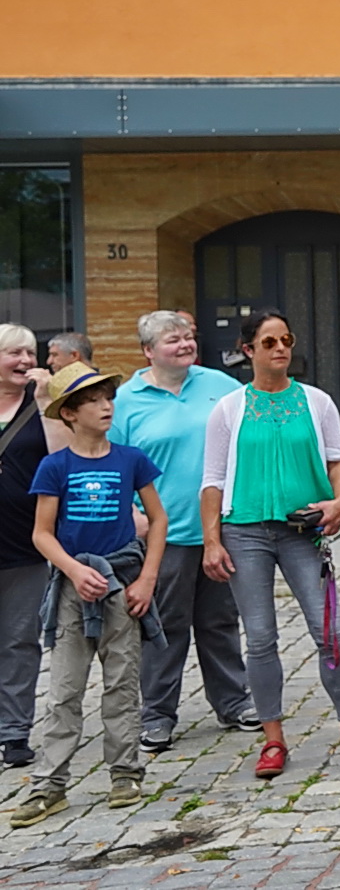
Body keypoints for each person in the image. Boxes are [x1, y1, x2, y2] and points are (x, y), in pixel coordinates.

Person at [199, 310, 340, 778]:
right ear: (248, 351)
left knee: (329, 632)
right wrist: (211, 541)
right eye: (268, 342)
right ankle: (273, 739)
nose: (280, 348)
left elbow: (339, 459)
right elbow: (213, 480)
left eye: (286, 339)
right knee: (260, 638)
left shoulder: (317, 402)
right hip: (244, 531)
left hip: (303, 531)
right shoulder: (229, 409)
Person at [11, 362, 167, 828]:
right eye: (94, 401)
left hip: (121, 584)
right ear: (70, 414)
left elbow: (158, 521)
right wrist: (75, 571)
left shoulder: (130, 459)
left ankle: (125, 771)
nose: (106, 407)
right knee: (64, 690)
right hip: (73, 591)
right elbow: (42, 533)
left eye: (108, 398)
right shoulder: (55, 466)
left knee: (122, 684)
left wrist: (147, 579)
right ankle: (49, 785)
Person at [111, 311, 257, 752]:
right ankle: (157, 714)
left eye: (188, 338)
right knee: (164, 626)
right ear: (148, 351)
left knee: (220, 621)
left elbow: (247, 446)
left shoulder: (223, 388)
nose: (185, 345)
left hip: (219, 529)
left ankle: (233, 702)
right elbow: (112, 462)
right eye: (173, 340)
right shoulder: (125, 401)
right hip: (163, 535)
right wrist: (129, 514)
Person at [0, 325, 68, 769]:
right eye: (14, 353)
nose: (25, 360)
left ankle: (14, 732)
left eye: (31, 352)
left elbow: (62, 457)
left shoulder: (41, 403)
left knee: (19, 641)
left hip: (24, 540)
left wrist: (45, 403)